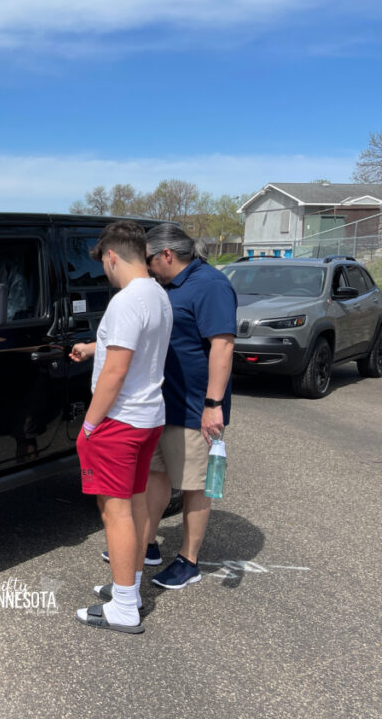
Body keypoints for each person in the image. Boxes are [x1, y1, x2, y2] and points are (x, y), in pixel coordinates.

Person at [70, 221, 172, 634]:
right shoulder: (158, 295)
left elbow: (116, 370)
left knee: (116, 512)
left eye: (105, 265)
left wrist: (89, 425)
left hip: (119, 421)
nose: (106, 273)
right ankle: (126, 587)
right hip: (148, 417)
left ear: (112, 256)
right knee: (130, 504)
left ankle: (125, 605)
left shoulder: (127, 300)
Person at [142, 223, 237, 590]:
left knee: (194, 485)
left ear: (167, 255)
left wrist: (213, 404)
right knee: (156, 475)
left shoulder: (210, 285)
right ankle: (148, 544)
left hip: (196, 406)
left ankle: (188, 560)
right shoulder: (165, 286)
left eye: (150, 259)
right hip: (163, 403)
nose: (147, 267)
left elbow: (223, 346)